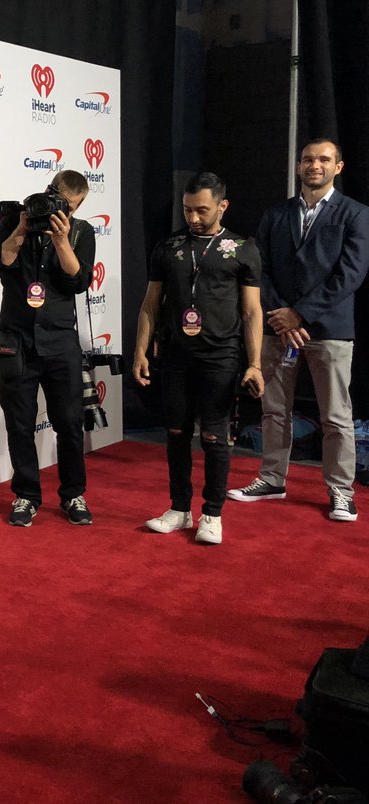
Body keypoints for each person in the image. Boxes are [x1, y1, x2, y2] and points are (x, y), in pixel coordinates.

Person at [228, 139, 369, 521]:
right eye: (308, 159)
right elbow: (261, 269)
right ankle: (272, 479)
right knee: (274, 410)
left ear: (338, 167)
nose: (315, 165)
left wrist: (300, 314)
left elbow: (350, 274)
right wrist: (281, 314)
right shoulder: (277, 214)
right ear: (298, 166)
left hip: (329, 329)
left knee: (336, 417)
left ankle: (341, 491)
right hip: (278, 326)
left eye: (324, 159)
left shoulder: (355, 214)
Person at [133, 172, 263, 544]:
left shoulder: (242, 249)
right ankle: (179, 508)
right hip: (175, 356)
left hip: (221, 357)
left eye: (201, 210)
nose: (193, 218)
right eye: (187, 209)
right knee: (175, 435)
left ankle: (212, 513)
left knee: (214, 437)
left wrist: (254, 363)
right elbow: (150, 305)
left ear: (222, 206)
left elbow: (252, 311)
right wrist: (140, 351)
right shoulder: (168, 247)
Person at [0, 170, 95, 527]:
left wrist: (62, 241)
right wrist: (20, 229)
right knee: (20, 423)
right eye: (57, 199)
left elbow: (78, 282)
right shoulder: (15, 219)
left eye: (71, 206)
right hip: (16, 340)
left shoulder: (81, 232)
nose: (60, 209)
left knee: (69, 422)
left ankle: (73, 494)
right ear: (49, 191)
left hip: (61, 341)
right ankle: (26, 496)